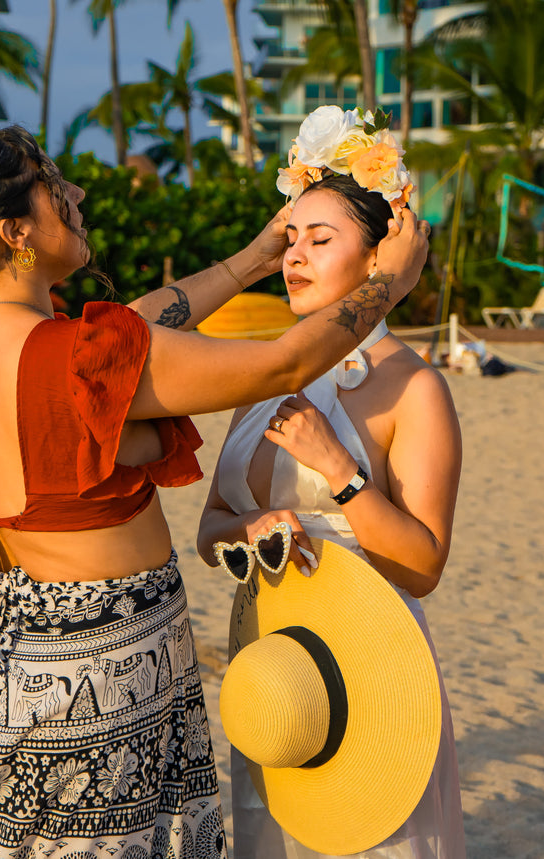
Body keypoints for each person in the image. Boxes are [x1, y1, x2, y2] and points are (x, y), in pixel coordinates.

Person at [0, 125, 430, 859]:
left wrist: (250, 260)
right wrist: (387, 283)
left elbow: (130, 330)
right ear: (15, 230)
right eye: (55, 186)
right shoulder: (65, 354)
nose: (76, 194)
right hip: (99, 668)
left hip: (9, 646)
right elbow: (279, 364)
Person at [197, 115, 465, 859]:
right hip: (277, 671)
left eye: (321, 240)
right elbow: (210, 524)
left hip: (372, 662)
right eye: (291, 241)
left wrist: (341, 475)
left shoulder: (411, 387)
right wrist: (248, 531)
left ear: (381, 256)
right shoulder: (266, 376)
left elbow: (422, 564)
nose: (296, 259)